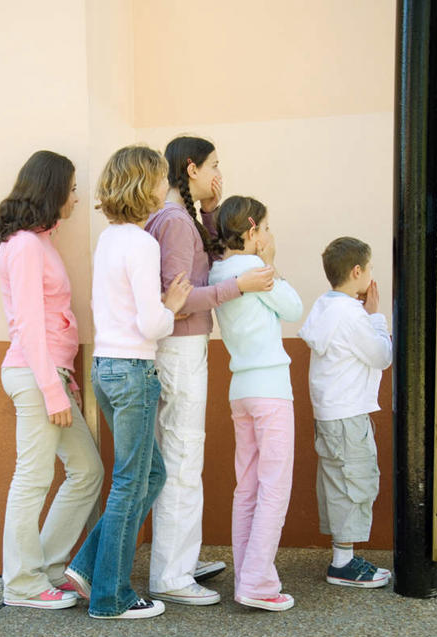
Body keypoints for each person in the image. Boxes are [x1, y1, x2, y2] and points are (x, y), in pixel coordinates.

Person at [145, 135, 275, 605]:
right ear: (192, 168)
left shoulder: (179, 219)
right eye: (214, 165)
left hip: (179, 349)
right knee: (183, 458)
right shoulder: (176, 222)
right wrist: (238, 286)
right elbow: (177, 300)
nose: (220, 173)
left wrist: (213, 210)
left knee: (180, 456)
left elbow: (209, 254)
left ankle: (178, 559)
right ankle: (171, 575)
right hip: (180, 349)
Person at [64, 145, 193, 619]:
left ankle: (86, 567)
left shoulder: (109, 239)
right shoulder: (142, 243)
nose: (165, 186)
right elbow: (151, 324)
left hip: (106, 368)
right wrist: (172, 305)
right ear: (145, 186)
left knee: (148, 475)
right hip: (134, 371)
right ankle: (111, 597)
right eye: (160, 179)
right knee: (128, 483)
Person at [0, 150, 104, 609]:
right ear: (52, 190)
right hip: (36, 377)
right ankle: (21, 583)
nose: (76, 198)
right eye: (71, 189)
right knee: (32, 478)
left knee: (87, 471)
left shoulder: (39, 242)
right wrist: (53, 389)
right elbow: (31, 326)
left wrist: (62, 381)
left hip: (51, 375)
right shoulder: (26, 247)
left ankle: (49, 570)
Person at [209, 196, 302, 611]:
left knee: (246, 486)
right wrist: (272, 262)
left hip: (240, 389)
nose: (268, 234)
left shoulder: (219, 271)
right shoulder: (256, 270)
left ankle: (247, 577)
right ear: (251, 232)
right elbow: (294, 308)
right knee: (274, 486)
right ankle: (258, 582)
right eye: (265, 227)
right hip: (271, 389)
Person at [298, 236, 392, 588]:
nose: (371, 274)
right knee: (356, 481)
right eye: (369, 268)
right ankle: (343, 564)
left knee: (338, 482)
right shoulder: (352, 315)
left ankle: (343, 557)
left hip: (331, 413)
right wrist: (376, 317)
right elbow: (381, 356)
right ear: (356, 271)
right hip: (348, 414)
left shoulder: (325, 306)